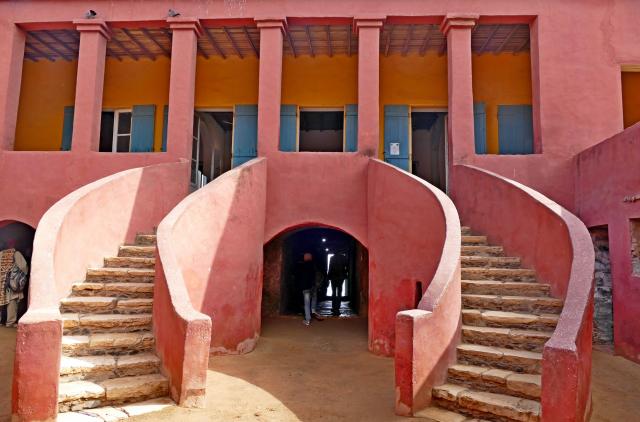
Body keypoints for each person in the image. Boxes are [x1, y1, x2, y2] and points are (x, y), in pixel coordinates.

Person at [0, 248, 28, 328]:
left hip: (1, 282)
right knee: (12, 302)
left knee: (1, 302)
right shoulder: (16, 253)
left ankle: (1, 321)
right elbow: (23, 267)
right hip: (11, 284)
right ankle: (10, 323)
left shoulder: (1, 254)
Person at [295, 252, 324, 326]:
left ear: (305, 258)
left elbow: (298, 277)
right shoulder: (314, 265)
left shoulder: (301, 266)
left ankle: (308, 320)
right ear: (311, 258)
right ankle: (313, 310)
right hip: (313, 286)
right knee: (314, 298)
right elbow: (319, 274)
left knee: (306, 303)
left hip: (305, 287)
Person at [327, 251, 348, 316]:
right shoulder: (344, 258)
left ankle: (334, 307)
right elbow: (347, 267)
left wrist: (328, 277)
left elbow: (330, 268)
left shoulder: (332, 258)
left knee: (333, 292)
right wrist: (345, 274)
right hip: (341, 277)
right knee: (339, 292)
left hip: (333, 277)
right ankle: (338, 307)